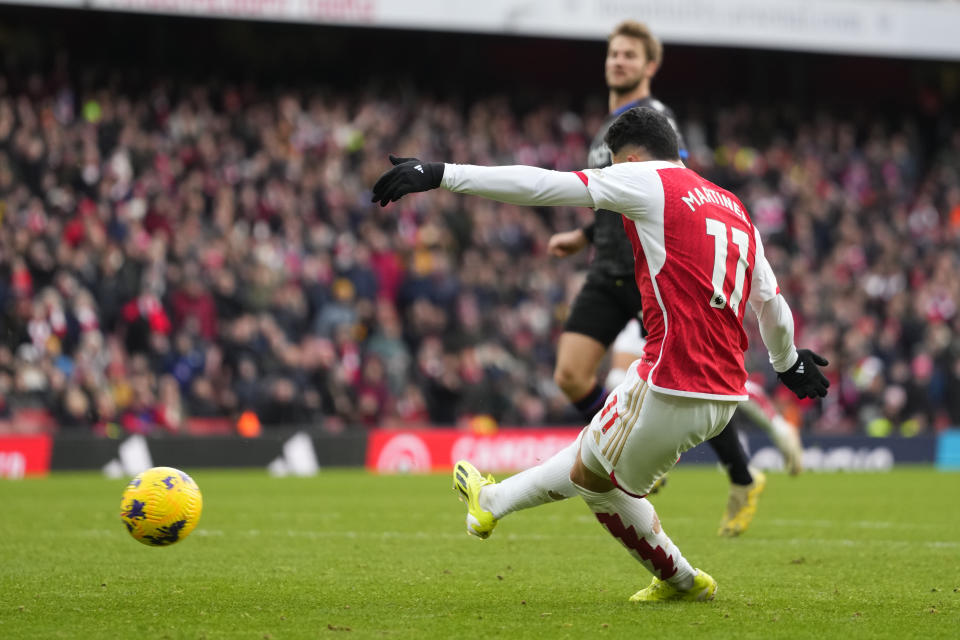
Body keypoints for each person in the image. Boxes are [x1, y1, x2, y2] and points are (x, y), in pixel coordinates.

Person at [371, 106, 828, 601]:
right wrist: (789, 363)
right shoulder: (732, 205)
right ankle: (493, 501)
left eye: (612, 162)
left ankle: (677, 579)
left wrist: (441, 174)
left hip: (672, 379)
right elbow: (771, 305)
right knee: (591, 464)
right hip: (725, 393)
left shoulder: (644, 179)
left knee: (595, 480)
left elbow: (544, 186)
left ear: (628, 157)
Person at [538, 19, 801, 536]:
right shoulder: (607, 128)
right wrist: (584, 237)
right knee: (570, 373)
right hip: (606, 267)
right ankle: (623, 447)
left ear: (649, 66)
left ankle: (744, 476)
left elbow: (668, 193)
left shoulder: (655, 120)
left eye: (629, 55)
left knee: (690, 373)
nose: (618, 62)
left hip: (650, 270)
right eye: (613, 54)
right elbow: (615, 195)